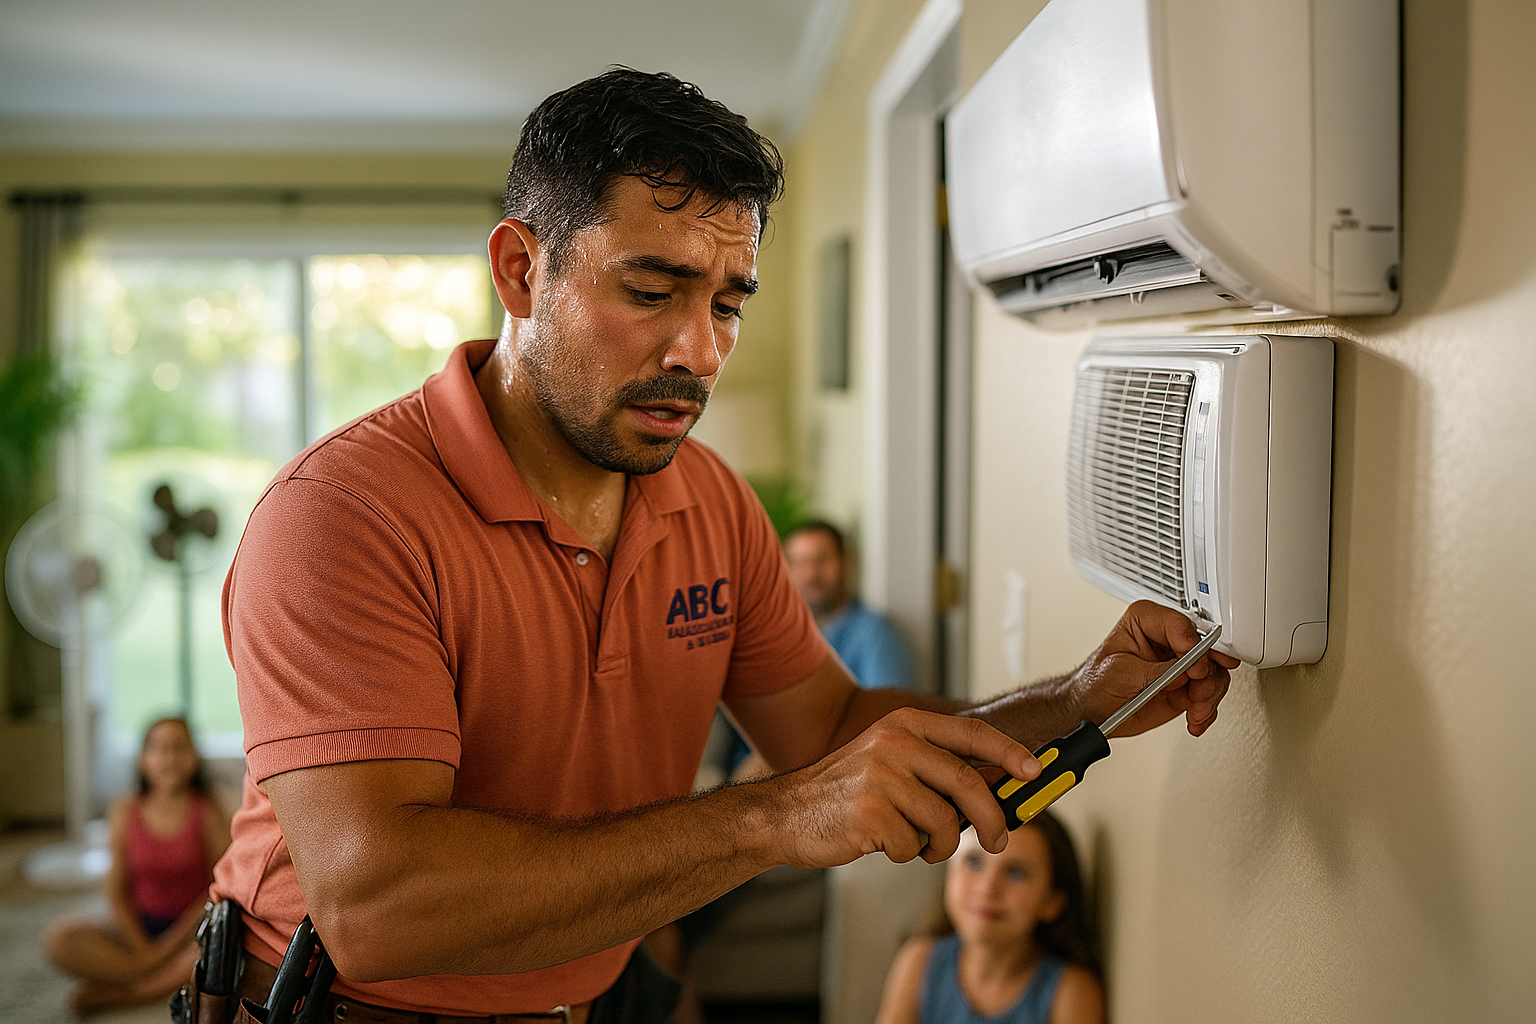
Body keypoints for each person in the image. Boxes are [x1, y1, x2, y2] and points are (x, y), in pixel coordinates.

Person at [208, 68, 1237, 1023]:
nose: (699, 352)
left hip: (594, 992)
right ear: (521, 270)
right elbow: (380, 906)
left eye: (728, 303)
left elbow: (827, 725)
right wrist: (767, 820)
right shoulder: (343, 514)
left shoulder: (709, 502)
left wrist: (1080, 695)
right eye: (651, 293)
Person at [43, 717, 230, 1017]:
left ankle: (125, 993)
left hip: (191, 934)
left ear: (194, 756)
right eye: (159, 748)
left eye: (179, 748)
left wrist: (167, 947)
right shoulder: (124, 810)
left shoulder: (207, 809)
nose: (169, 758)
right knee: (59, 939)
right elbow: (117, 894)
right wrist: (145, 953)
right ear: (143, 759)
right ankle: (149, 977)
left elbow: (219, 888)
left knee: (219, 957)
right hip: (139, 928)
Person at [874, 811, 1103, 1024]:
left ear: (1053, 902)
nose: (987, 889)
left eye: (1016, 872)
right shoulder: (919, 961)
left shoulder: (1071, 992)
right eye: (973, 861)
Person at [784, 519, 916, 689]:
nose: (811, 575)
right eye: (800, 563)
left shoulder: (875, 634)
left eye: (822, 560)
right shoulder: (782, 634)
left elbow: (893, 711)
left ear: (845, 562)